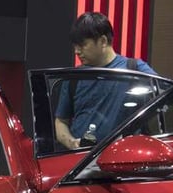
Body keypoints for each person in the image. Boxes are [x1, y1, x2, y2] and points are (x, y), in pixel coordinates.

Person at [54, 12, 156, 150]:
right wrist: (72, 143)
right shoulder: (75, 77)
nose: (76, 51)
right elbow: (61, 121)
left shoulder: (135, 70)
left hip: (123, 159)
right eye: (75, 45)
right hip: (80, 161)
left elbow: (168, 99)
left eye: (82, 45)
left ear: (103, 41)